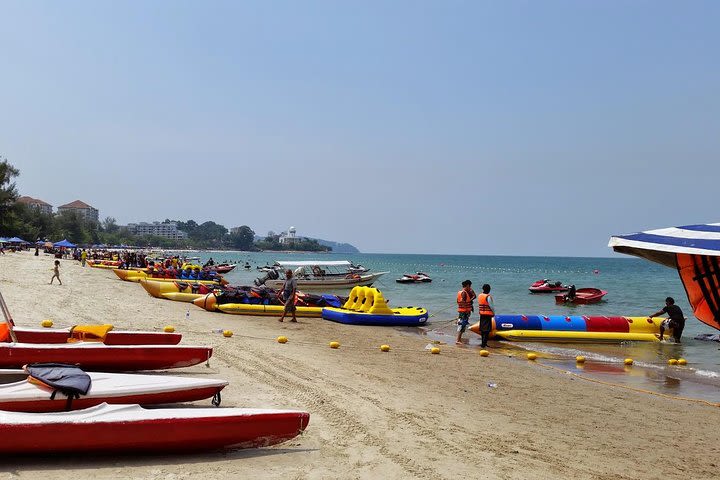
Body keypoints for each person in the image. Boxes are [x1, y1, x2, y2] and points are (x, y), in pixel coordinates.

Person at [455, 280, 476, 344]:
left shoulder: (460, 292)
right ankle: (458, 340)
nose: (470, 287)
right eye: (470, 286)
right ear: (467, 285)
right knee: (462, 325)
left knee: (461, 324)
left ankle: (459, 339)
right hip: (464, 311)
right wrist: (467, 309)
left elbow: (458, 301)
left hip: (462, 311)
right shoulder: (464, 292)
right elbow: (464, 302)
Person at [477, 284, 495, 348]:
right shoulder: (488, 297)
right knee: (487, 330)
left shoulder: (480, 295)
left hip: (482, 313)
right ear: (489, 289)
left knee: (482, 329)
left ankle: (483, 343)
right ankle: (484, 344)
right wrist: (494, 313)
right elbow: (491, 306)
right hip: (487, 314)